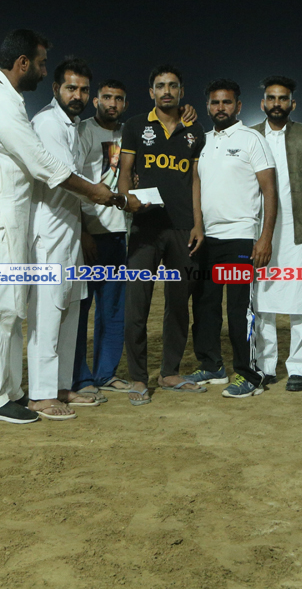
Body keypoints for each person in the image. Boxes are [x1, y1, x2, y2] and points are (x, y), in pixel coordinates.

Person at [0, 30, 116, 423]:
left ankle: (9, 393)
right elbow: (43, 164)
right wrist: (94, 193)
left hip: (11, 223)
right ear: (23, 62)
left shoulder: (5, 98)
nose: (44, 72)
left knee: (9, 312)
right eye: (43, 64)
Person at [118, 65, 207, 405]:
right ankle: (138, 378)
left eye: (172, 85)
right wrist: (127, 200)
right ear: (151, 91)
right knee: (136, 304)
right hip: (146, 227)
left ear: (181, 91)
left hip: (183, 228)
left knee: (178, 304)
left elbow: (195, 180)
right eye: (160, 86)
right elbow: (125, 171)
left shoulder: (195, 130)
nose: (166, 91)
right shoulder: (136, 125)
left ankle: (169, 372)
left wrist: (198, 223)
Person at [193, 79, 277, 398]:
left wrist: (264, 238)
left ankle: (249, 374)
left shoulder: (252, 139)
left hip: (240, 237)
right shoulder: (202, 141)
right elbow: (196, 186)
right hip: (208, 239)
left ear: (238, 106)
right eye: (215, 102)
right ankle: (212, 364)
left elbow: (270, 191)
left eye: (227, 102)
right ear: (208, 106)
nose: (220, 108)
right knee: (205, 306)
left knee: (239, 309)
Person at [27, 57, 100, 420]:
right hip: (48, 230)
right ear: (56, 88)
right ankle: (40, 395)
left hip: (69, 228)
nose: (78, 96)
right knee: (47, 311)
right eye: (71, 88)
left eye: (84, 90)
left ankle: (60, 386)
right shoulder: (47, 123)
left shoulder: (74, 126)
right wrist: (108, 196)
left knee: (70, 308)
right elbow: (65, 178)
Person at [250, 76, 302, 391]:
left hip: (298, 230)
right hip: (261, 230)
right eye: (271, 98)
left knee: (300, 301)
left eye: (283, 98)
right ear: (263, 103)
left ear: (292, 103)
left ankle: (299, 369)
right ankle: (265, 366)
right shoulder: (251, 136)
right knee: (262, 303)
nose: (277, 103)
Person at [73, 78, 132, 394]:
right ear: (96, 101)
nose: (113, 103)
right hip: (88, 234)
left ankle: (105, 374)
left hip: (117, 233)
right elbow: (70, 182)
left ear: (125, 103)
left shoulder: (128, 134)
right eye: (107, 97)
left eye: (118, 98)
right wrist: (82, 231)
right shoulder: (82, 131)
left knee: (112, 310)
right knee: (80, 310)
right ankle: (80, 378)